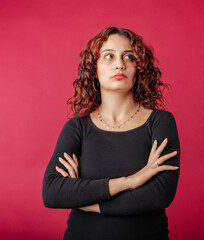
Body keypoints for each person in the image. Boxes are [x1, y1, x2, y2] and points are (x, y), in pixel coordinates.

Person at [42, 26, 181, 240]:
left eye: (129, 56)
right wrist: (129, 182)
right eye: (109, 56)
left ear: (139, 67)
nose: (119, 64)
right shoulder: (77, 127)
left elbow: (159, 194)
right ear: (94, 69)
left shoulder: (160, 122)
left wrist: (86, 200)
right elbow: (52, 192)